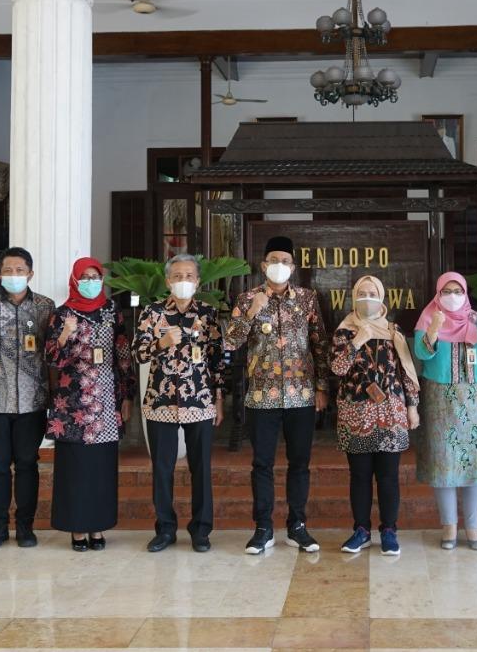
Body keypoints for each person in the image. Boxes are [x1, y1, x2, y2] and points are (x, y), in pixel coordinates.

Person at [222, 235, 329, 554]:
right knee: (262, 464)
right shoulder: (247, 299)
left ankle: (297, 526)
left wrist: (322, 387)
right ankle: (263, 528)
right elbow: (231, 342)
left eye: (285, 261)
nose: (279, 266)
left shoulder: (307, 299)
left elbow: (319, 343)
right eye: (273, 261)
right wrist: (250, 313)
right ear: (263, 265)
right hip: (261, 396)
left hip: (302, 395)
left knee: (300, 463)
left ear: (293, 267)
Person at [0, 246, 55, 549]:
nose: (14, 275)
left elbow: (52, 353)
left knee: (28, 464)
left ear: (30, 274)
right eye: (8, 271)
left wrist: (55, 397)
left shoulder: (45, 306)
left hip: (32, 401)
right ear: (0, 274)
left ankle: (26, 527)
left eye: (19, 270)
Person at [133, 254, 224, 553]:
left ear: (197, 281)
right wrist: (160, 343)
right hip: (161, 401)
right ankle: (165, 529)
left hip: (200, 400)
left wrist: (219, 400)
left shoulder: (208, 314)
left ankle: (201, 530)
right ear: (167, 281)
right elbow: (137, 354)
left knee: (201, 468)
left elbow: (217, 361)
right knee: (162, 469)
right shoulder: (152, 312)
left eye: (188, 276)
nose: (183, 281)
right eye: (177, 276)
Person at [44, 257, 136, 552]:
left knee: (101, 468)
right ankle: (76, 529)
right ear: (74, 280)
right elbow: (51, 359)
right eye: (84, 276)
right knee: (75, 468)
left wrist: (127, 396)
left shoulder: (111, 311)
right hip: (74, 404)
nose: (90, 281)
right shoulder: (62, 314)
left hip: (107, 400)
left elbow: (123, 354)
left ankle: (98, 526)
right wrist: (65, 334)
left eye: (95, 276)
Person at [329, 275, 420, 555]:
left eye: (372, 293)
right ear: (354, 297)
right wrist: (357, 341)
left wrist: (412, 406)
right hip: (355, 413)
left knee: (388, 476)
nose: (367, 298)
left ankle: (389, 531)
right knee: (360, 476)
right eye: (362, 293)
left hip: (391, 412)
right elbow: (337, 368)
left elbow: (406, 370)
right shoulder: (344, 331)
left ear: (381, 298)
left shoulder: (393, 330)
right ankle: (361, 530)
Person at [413, 272, 477, 550]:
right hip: (439, 399)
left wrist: (471, 375)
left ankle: (473, 527)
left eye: (458, 291)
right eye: (447, 291)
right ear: (438, 294)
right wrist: (434, 330)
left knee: (476, 462)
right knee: (444, 462)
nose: (453, 296)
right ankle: (449, 526)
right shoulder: (428, 318)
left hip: (475, 399)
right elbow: (422, 355)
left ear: (465, 293)